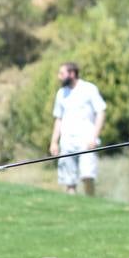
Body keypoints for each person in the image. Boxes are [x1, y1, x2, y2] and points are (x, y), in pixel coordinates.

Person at [49, 61, 107, 196]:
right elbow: (58, 118)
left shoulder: (89, 89)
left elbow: (101, 112)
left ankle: (91, 204)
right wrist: (54, 141)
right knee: (69, 180)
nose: (59, 77)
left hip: (86, 139)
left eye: (62, 73)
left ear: (72, 73)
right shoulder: (61, 93)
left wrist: (94, 136)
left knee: (88, 175)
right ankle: (73, 211)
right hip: (67, 141)